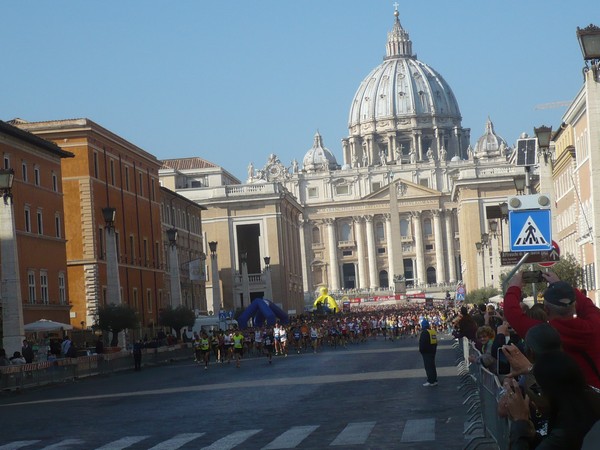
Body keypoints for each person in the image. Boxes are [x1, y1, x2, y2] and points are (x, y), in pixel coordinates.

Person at [504, 272, 600, 388]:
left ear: (546, 310)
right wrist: (560, 285)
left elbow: (511, 312)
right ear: (575, 305)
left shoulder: (542, 333)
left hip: (566, 400)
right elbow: (588, 305)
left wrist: (514, 286)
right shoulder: (595, 325)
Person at [503, 350, 600, 449]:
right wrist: (533, 437)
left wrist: (519, 422)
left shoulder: (565, 430)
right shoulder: (587, 401)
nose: (534, 401)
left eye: (538, 390)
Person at [419, 319, 438, 387]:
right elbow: (436, 341)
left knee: (428, 367)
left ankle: (430, 380)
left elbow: (422, 343)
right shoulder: (432, 331)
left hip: (426, 352)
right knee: (432, 366)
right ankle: (434, 380)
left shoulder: (424, 332)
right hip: (433, 351)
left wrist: (421, 350)